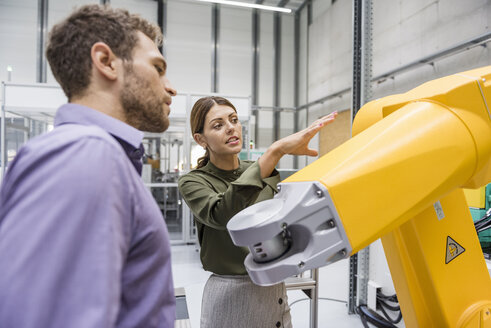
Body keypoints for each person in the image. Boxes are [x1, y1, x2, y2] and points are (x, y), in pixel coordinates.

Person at [0, 5, 177, 328]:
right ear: (107, 62)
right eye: (158, 67)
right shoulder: (86, 155)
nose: (170, 87)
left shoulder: (100, 156)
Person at [178, 96, 337, 328]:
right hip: (231, 292)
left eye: (233, 120)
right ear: (200, 139)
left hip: (273, 287)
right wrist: (276, 150)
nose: (231, 128)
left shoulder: (257, 170)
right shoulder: (193, 181)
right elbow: (224, 215)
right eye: (218, 124)